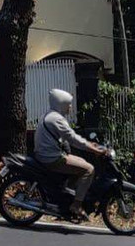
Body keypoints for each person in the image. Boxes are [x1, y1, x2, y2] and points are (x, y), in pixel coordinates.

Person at [34, 89, 108, 218]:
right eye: (68, 104)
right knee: (89, 169)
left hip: (49, 154)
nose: (70, 107)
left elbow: (70, 137)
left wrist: (91, 144)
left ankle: (66, 196)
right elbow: (73, 139)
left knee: (82, 163)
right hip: (52, 158)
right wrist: (94, 149)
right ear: (61, 104)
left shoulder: (51, 115)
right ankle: (76, 205)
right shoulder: (56, 119)